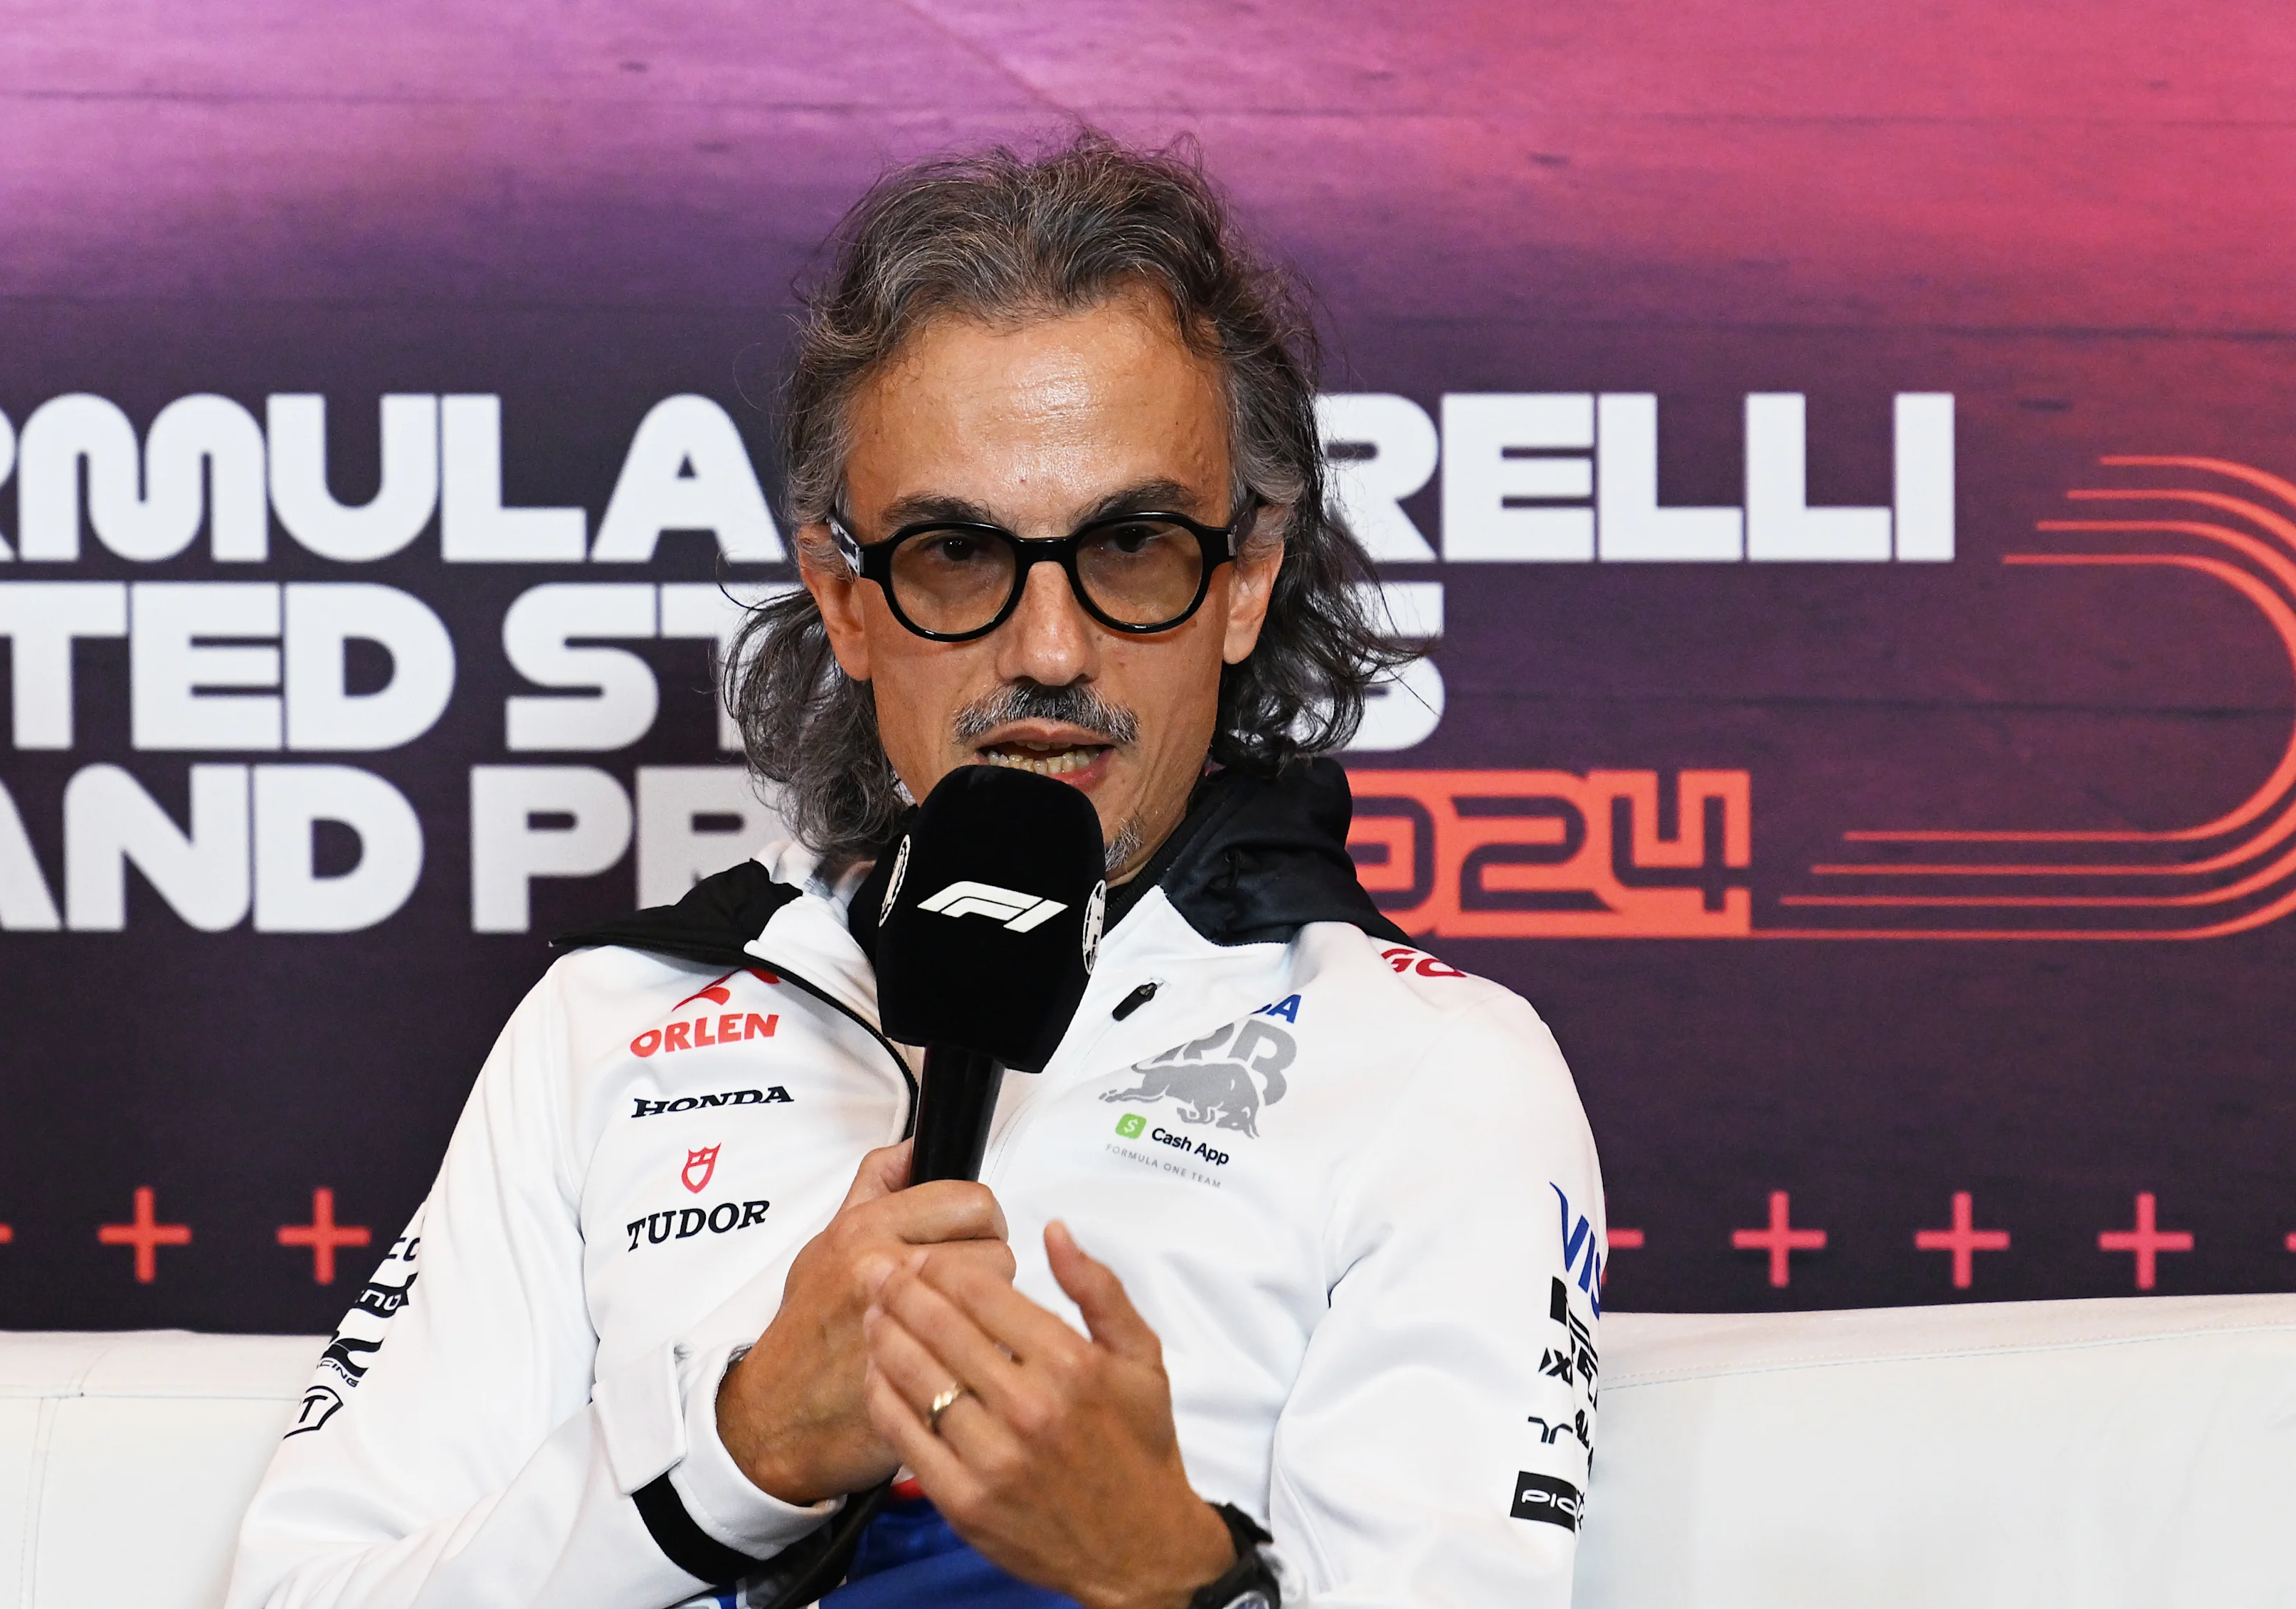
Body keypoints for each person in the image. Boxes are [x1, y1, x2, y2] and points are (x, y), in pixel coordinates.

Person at [227, 132, 1609, 1609]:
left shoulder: (1427, 1065)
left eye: (1133, 545)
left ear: (1244, 582)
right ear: (844, 598)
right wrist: (735, 1453)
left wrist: (1173, 1574)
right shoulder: (609, 1023)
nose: (1050, 649)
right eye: (957, 554)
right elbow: (299, 1591)